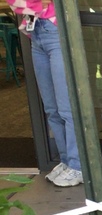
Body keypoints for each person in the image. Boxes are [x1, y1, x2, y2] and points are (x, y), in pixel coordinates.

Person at [11, 0, 81, 187]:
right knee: (52, 108)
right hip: (36, 30)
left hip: (55, 29)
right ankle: (67, 161)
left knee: (67, 108)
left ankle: (78, 165)